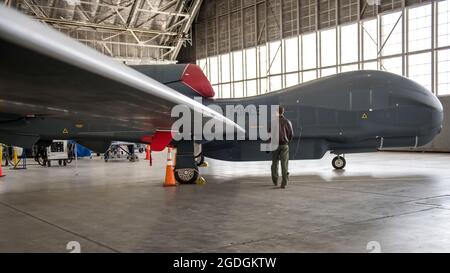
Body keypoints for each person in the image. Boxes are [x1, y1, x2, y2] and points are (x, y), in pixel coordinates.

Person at [271, 105, 294, 189]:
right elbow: (291, 134)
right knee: (284, 164)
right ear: (283, 112)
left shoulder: (273, 122)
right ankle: (284, 183)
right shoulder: (287, 121)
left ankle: (275, 181)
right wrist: (287, 141)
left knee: (274, 163)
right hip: (284, 145)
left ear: (276, 112)